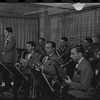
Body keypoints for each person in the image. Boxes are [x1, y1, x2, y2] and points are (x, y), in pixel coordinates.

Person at [0, 27, 16, 91]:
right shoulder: (8, 39)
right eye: (4, 32)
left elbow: (7, 49)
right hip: (5, 58)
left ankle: (7, 87)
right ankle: (7, 86)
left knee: (6, 74)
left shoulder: (11, 40)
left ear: (10, 33)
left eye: (6, 32)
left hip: (8, 59)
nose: (4, 34)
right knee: (5, 74)